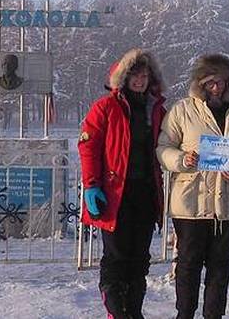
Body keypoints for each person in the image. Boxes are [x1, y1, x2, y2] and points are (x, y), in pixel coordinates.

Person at [156, 54, 229, 319]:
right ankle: (184, 313)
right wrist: (181, 159)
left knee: (220, 265)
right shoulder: (182, 110)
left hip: (227, 204)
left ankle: (214, 315)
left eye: (222, 82)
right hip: (190, 202)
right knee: (188, 264)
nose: (217, 88)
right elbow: (163, 147)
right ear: (201, 82)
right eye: (211, 82)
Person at [77, 49, 167, 319]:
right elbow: (88, 146)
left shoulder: (157, 110)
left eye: (144, 75)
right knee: (116, 257)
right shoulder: (106, 107)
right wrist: (92, 184)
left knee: (140, 259)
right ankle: (117, 312)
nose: (139, 80)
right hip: (115, 195)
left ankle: (134, 311)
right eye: (134, 75)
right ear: (123, 78)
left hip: (145, 193)